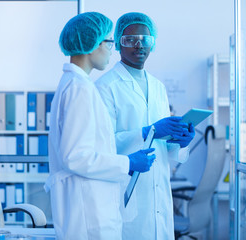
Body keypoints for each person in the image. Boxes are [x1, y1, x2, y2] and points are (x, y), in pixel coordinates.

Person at [44, 12, 156, 240]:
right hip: (87, 211)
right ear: (91, 43)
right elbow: (76, 157)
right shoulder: (79, 89)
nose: (112, 49)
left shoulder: (75, 85)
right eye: (109, 42)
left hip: (89, 206)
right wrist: (129, 162)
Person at [95, 12, 195, 240]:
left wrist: (181, 142)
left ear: (153, 43)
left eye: (145, 40)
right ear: (119, 44)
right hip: (127, 188)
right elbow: (103, 143)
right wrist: (149, 131)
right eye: (130, 40)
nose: (139, 45)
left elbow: (166, 150)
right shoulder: (105, 87)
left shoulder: (158, 87)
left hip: (159, 191)